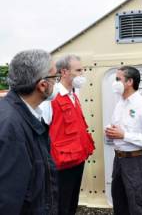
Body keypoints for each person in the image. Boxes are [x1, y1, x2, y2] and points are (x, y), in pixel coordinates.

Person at [0, 49, 59, 214]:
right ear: (42, 85)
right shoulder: (11, 126)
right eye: (55, 77)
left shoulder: (23, 114)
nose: (57, 83)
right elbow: (7, 200)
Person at [40, 55, 95, 215]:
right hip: (60, 165)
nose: (82, 74)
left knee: (72, 204)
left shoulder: (74, 96)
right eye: (78, 70)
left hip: (77, 160)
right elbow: (41, 132)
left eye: (82, 70)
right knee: (60, 206)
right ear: (64, 72)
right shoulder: (51, 98)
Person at [105, 66, 142, 215]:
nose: (115, 83)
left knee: (136, 207)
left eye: (118, 79)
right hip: (119, 161)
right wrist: (111, 132)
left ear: (129, 82)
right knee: (119, 203)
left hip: (136, 162)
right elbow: (118, 129)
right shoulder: (120, 103)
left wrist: (124, 135)